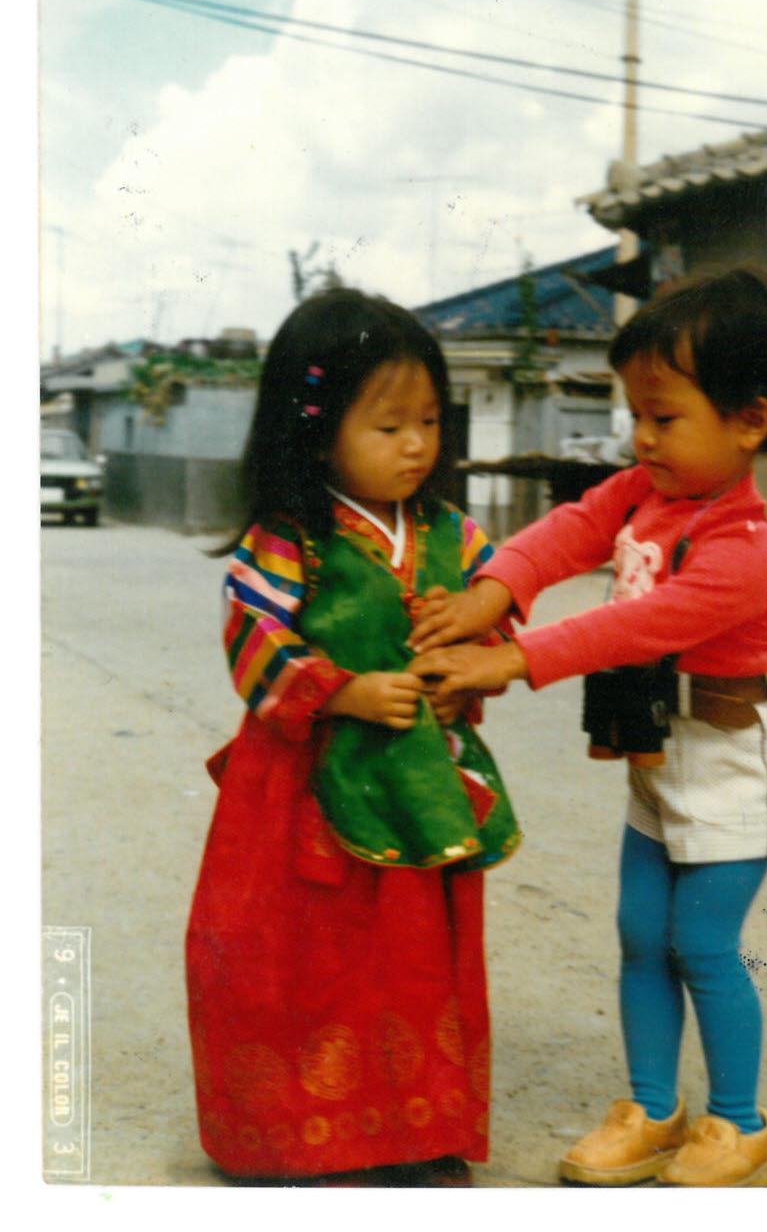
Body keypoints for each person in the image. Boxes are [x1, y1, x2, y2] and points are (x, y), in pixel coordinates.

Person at [410, 268, 767, 1189]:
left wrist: (513, 657)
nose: (642, 437)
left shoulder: (746, 548)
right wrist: (491, 592)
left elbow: (635, 627)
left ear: (750, 420)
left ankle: (739, 1123)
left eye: (664, 417)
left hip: (735, 762)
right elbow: (566, 531)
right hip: (659, 754)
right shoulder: (641, 492)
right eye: (636, 414)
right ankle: (652, 1110)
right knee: (639, 932)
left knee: (703, 943)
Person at [185, 288, 520, 1187]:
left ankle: (417, 1129)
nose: (417, 444)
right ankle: (302, 1134)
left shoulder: (456, 535)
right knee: (310, 959)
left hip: (421, 785)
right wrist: (342, 691)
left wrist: (466, 668)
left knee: (417, 963)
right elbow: (254, 639)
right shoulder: (289, 539)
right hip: (304, 789)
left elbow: (494, 623)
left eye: (429, 421)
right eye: (388, 425)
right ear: (315, 431)